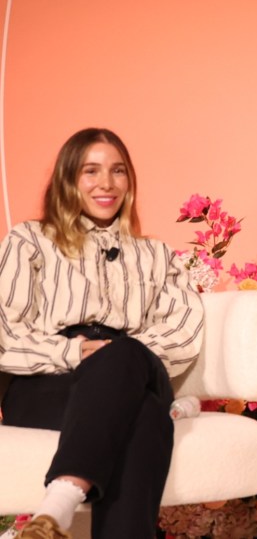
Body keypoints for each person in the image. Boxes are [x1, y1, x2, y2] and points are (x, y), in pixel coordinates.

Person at [0, 128, 205, 539]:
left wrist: (118, 359)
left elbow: (184, 329)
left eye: (118, 171)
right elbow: (5, 331)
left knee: (124, 354)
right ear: (67, 180)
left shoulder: (155, 254)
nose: (106, 184)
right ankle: (59, 505)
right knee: (146, 417)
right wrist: (73, 353)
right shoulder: (29, 240)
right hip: (46, 381)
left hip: (134, 365)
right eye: (90, 171)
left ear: (130, 181)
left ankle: (59, 501)